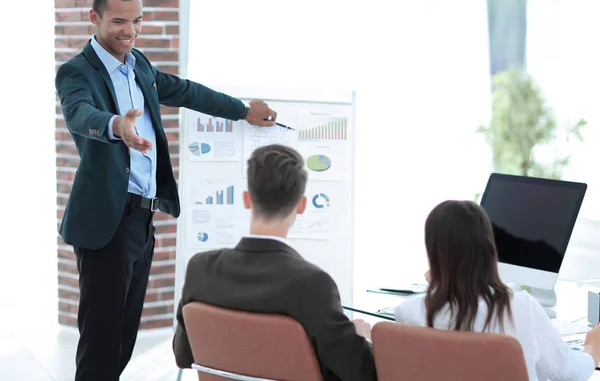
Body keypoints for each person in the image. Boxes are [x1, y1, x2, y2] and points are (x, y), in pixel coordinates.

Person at [55, 0, 277, 380]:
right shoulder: (76, 72)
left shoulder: (138, 65)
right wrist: (115, 125)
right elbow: (78, 113)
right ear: (94, 18)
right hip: (107, 221)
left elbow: (187, 92)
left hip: (142, 219)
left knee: (123, 337)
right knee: (100, 343)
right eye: (119, 21)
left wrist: (243, 110)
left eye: (137, 21)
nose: (130, 31)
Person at [173, 144, 377, 381]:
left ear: (247, 199)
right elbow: (361, 373)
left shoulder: (201, 268)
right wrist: (363, 338)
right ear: (301, 205)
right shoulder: (311, 284)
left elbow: (183, 355)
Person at [393, 200, 600, 381]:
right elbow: (569, 374)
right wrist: (592, 348)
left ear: (431, 250)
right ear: (489, 245)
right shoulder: (520, 307)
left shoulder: (408, 311)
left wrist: (439, 283)